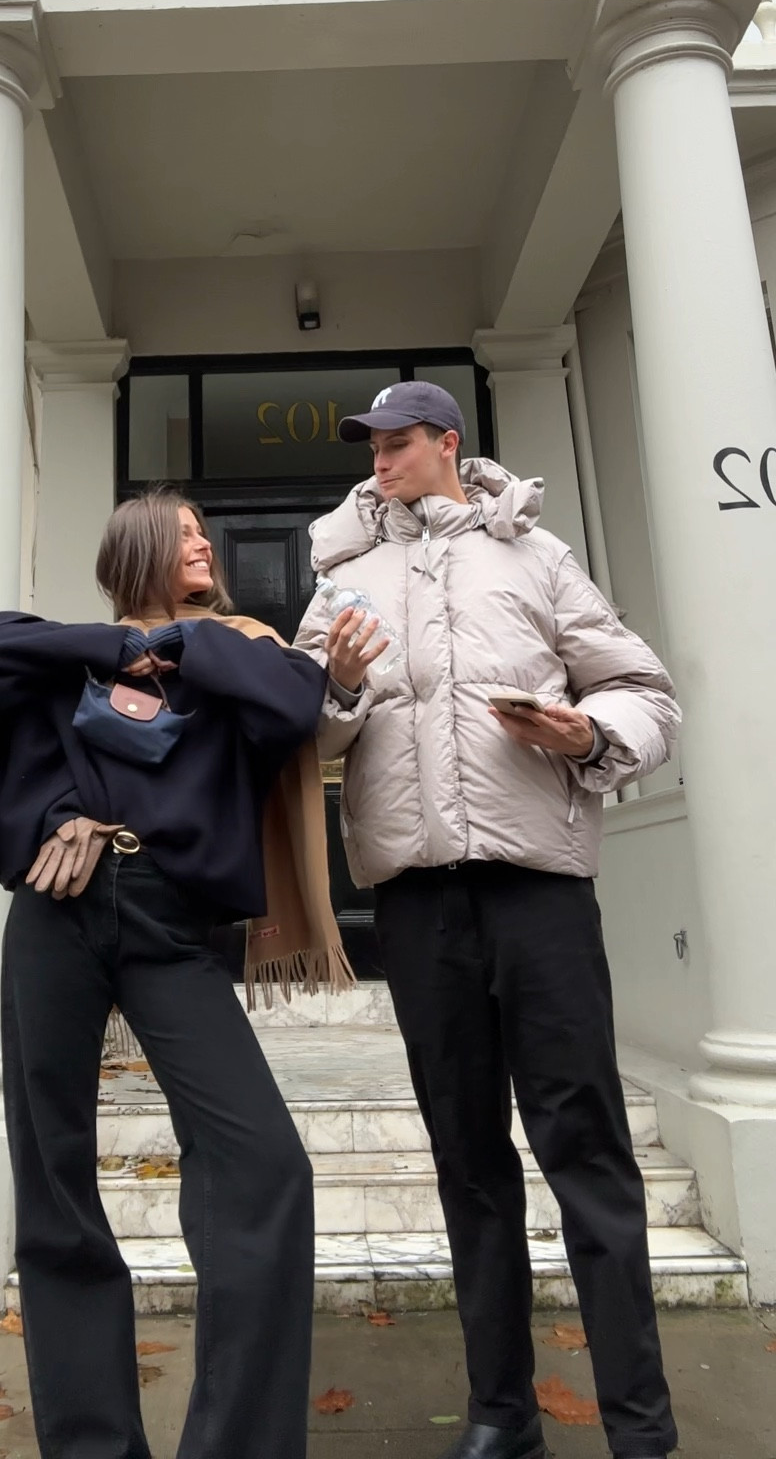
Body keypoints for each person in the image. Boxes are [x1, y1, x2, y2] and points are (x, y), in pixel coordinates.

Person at [0, 490, 353, 1459]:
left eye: (204, 533)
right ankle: (95, 1447)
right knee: (55, 1178)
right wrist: (103, 682)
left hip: (170, 919)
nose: (204, 543)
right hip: (57, 912)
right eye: (186, 532)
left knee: (264, 1164)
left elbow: (295, 701)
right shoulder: (61, 649)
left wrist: (185, 650)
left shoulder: (238, 654)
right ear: (139, 549)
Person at [295, 383, 681, 1459]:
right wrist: (333, 687)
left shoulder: (537, 557)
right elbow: (301, 738)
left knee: (588, 1152)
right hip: (417, 903)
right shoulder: (342, 579)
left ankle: (640, 1427)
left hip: (539, 893)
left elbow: (646, 691)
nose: (380, 458)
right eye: (370, 444)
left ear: (449, 445)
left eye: (400, 441)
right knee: (467, 1159)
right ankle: (502, 1417)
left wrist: (585, 730)